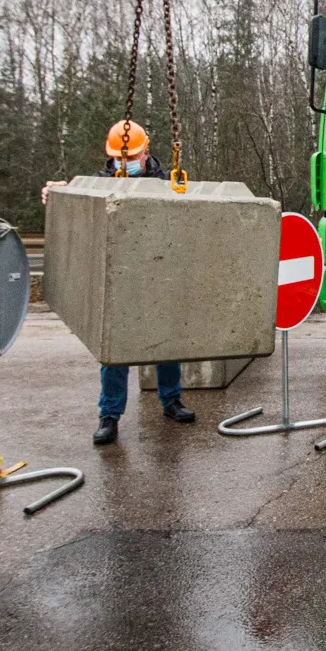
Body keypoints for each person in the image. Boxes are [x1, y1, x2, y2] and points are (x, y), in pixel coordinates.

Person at [42, 119, 195, 446]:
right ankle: (109, 415)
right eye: (119, 158)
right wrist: (56, 193)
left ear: (146, 152)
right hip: (119, 277)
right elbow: (75, 195)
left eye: (131, 157)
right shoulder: (99, 183)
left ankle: (171, 401)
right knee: (116, 349)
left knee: (167, 342)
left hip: (158, 272)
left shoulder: (166, 181)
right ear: (110, 156)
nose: (124, 164)